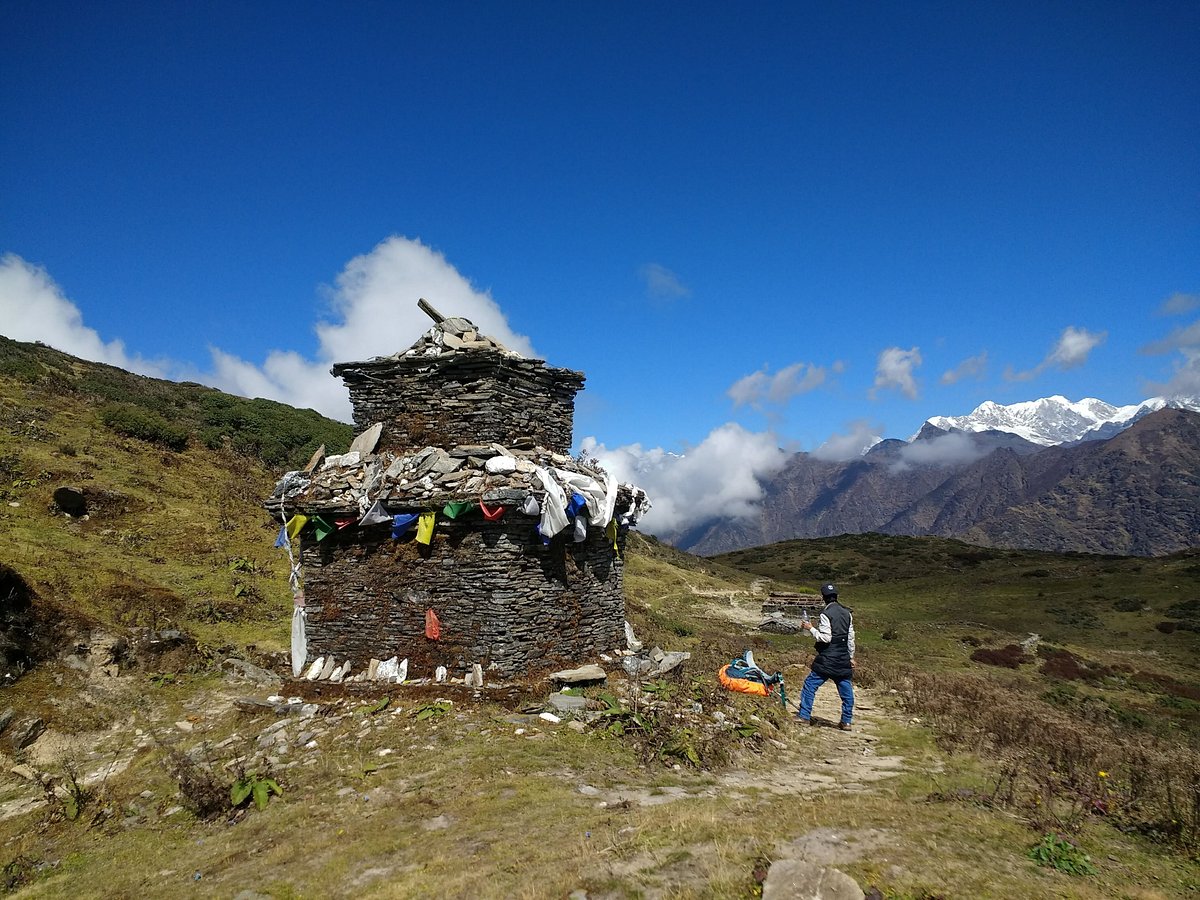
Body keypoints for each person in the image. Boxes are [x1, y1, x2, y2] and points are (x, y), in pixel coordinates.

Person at [796, 582, 856, 730]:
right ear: (836, 596)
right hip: (843, 658)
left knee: (810, 685)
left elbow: (825, 638)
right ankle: (846, 721)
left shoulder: (825, 614)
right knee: (846, 691)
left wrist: (811, 629)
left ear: (824, 597)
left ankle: (804, 715)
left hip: (828, 658)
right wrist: (851, 656)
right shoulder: (847, 613)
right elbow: (850, 637)